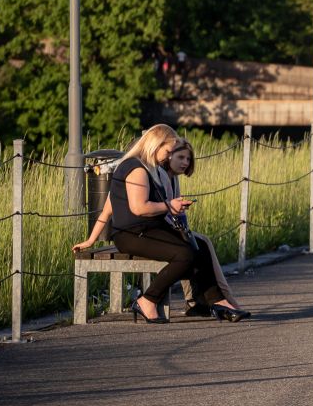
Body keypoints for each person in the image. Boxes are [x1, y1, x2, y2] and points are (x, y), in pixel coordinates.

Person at [71, 124, 225, 324]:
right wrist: (169, 205)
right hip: (131, 235)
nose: (168, 157)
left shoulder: (149, 168)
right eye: (168, 151)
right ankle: (148, 300)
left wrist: (91, 238)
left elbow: (108, 206)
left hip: (147, 230)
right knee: (185, 255)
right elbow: (139, 208)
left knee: (198, 247)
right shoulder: (136, 168)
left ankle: (214, 303)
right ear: (155, 145)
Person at [158, 139, 251, 321]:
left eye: (188, 159)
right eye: (181, 157)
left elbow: (174, 212)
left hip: (171, 228)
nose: (185, 162)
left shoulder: (173, 178)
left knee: (199, 241)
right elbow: (162, 209)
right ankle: (222, 300)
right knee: (199, 244)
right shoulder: (161, 175)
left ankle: (202, 300)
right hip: (158, 231)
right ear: (168, 156)